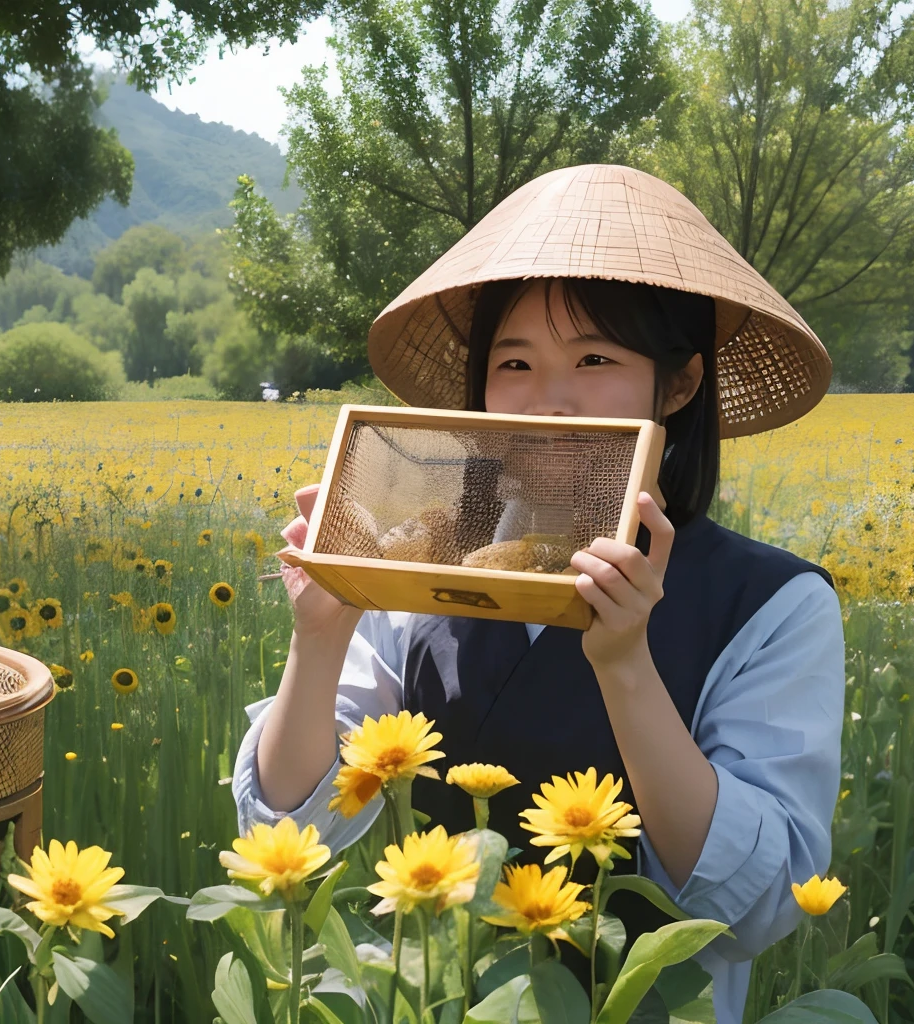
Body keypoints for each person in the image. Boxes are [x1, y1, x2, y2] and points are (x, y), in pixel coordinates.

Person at [236, 164, 841, 1020]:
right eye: (514, 361)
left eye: (594, 358)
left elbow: (760, 905)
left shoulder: (774, 605)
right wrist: (321, 633)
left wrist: (626, 665)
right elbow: (283, 836)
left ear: (679, 383)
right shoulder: (426, 569)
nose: (549, 400)